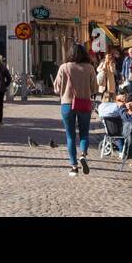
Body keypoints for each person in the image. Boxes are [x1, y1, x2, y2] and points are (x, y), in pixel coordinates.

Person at [54, 43, 100, 176]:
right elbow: (95, 88)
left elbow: (56, 88)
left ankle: (74, 166)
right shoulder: (90, 68)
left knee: (70, 136)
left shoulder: (64, 67)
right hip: (84, 103)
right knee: (84, 133)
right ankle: (83, 154)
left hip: (67, 105)